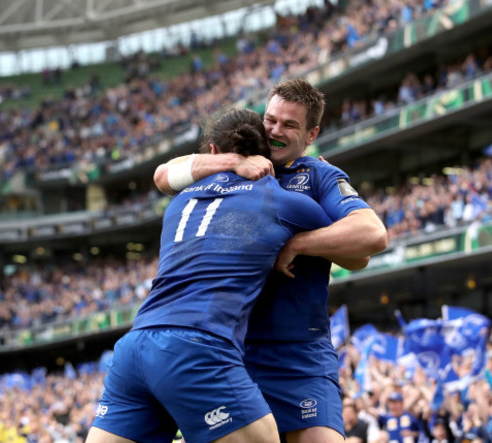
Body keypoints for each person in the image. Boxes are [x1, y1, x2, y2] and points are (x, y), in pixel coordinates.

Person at [154, 78, 388, 442]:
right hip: (230, 355)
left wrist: (298, 244)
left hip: (299, 356)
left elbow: (369, 241)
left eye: (289, 125)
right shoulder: (226, 165)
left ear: (311, 134)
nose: (275, 130)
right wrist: (232, 161)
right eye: (271, 119)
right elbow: (163, 176)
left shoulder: (317, 175)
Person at [86, 108, 334, 443]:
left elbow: (165, 173)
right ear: (266, 153)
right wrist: (297, 245)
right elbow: (359, 247)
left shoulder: (178, 200)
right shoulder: (281, 200)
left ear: (213, 151)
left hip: (134, 347)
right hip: (198, 345)